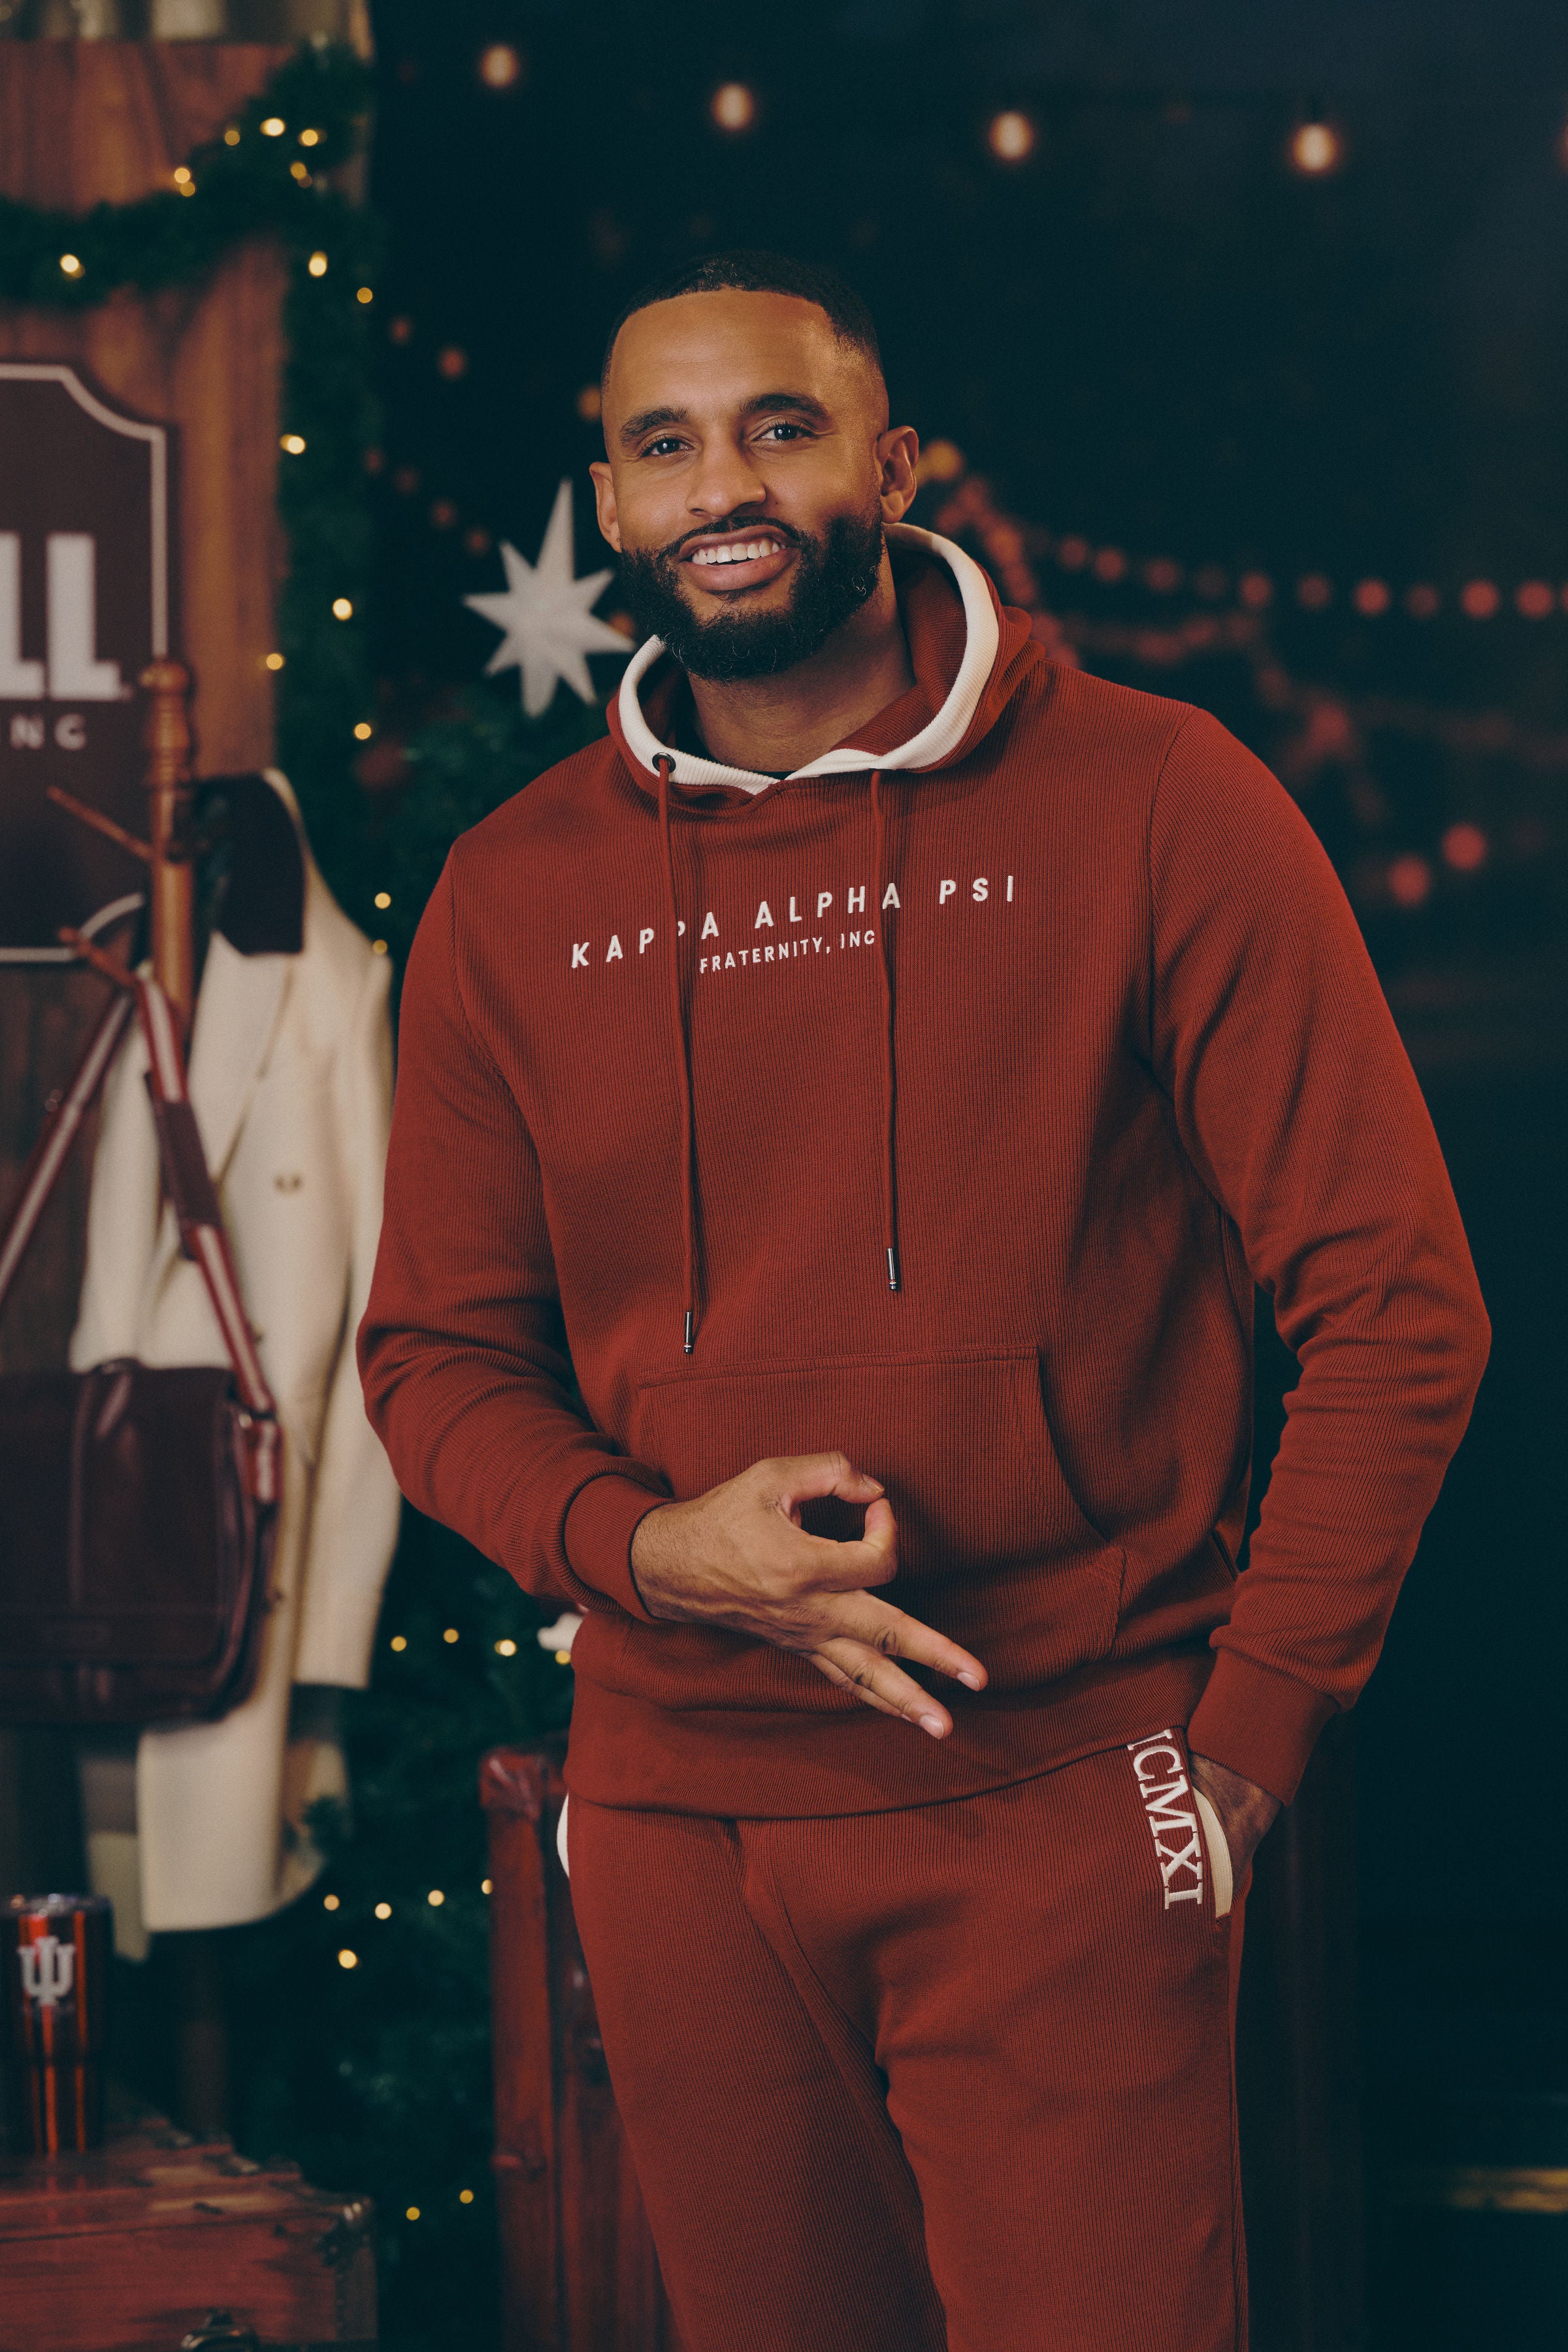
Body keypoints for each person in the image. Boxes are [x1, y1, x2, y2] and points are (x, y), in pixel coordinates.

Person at [359, 251, 1489, 2351]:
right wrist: (651, 1550)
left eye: (780, 428)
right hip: (681, 1819)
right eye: (666, 444)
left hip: (1069, 1789)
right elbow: (435, 1355)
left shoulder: (1157, 799)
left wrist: (1240, 1751)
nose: (724, 485)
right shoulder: (516, 891)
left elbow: (1399, 1302)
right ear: (609, 504)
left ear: (890, 467)